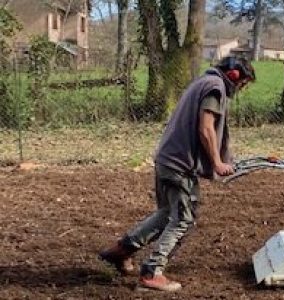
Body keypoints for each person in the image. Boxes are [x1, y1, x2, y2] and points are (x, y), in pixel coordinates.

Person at [98, 56, 256, 292]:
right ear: (234, 76)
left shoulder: (202, 81)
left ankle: (121, 251)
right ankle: (152, 272)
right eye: (243, 84)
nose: (241, 89)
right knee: (183, 219)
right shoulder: (216, 88)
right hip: (180, 164)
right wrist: (217, 162)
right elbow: (206, 128)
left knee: (165, 213)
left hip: (166, 158)